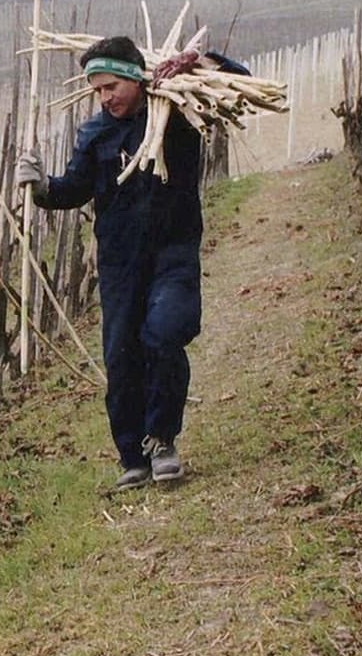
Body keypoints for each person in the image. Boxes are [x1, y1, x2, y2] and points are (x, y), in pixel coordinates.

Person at [15, 35, 244, 490]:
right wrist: (41, 187)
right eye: (97, 90)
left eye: (110, 86)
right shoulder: (96, 134)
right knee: (121, 358)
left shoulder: (178, 114)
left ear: (134, 78)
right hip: (120, 263)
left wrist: (201, 60)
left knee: (164, 334)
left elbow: (240, 86)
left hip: (173, 251)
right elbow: (74, 190)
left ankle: (162, 440)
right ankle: (132, 457)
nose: (105, 98)